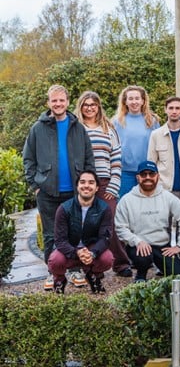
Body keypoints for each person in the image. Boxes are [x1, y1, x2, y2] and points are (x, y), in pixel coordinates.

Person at [23, 84, 95, 291]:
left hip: (74, 191)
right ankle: (53, 272)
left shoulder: (78, 128)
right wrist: (35, 185)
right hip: (47, 192)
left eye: (61, 100)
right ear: (48, 103)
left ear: (68, 102)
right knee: (50, 234)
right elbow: (28, 159)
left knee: (74, 232)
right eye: (54, 100)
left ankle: (74, 270)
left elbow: (88, 157)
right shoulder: (37, 128)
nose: (58, 104)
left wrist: (86, 184)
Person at [74, 91, 131, 278]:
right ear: (81, 107)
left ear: (98, 107)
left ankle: (121, 263)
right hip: (84, 184)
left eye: (93, 104)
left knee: (111, 222)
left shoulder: (108, 128)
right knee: (85, 225)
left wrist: (114, 184)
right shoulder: (76, 128)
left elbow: (116, 158)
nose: (89, 108)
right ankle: (91, 267)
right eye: (86, 104)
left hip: (105, 183)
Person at [114, 161, 180, 282]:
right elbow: (120, 227)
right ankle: (141, 275)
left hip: (162, 246)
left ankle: (163, 267)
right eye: (143, 174)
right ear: (138, 177)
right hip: (139, 246)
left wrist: (179, 245)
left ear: (157, 176)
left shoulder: (168, 197)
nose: (148, 177)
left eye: (151, 174)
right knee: (143, 257)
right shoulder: (126, 200)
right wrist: (136, 241)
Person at [147, 96, 180, 268]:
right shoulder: (156, 135)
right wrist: (156, 188)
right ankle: (163, 260)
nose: (174, 111)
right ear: (165, 110)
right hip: (164, 189)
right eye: (171, 108)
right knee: (162, 225)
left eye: (177, 108)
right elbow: (151, 164)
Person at [48, 171, 114, 294]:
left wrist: (92, 253)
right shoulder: (64, 208)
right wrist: (77, 252)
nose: (86, 185)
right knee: (55, 260)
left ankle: (93, 275)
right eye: (82, 182)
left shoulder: (104, 209)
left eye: (91, 182)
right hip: (70, 248)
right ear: (77, 186)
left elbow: (105, 237)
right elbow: (60, 240)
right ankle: (59, 280)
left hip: (91, 248)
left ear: (97, 188)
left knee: (107, 259)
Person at [113, 85, 160, 198]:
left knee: (147, 203)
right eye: (130, 99)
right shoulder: (117, 122)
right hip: (124, 173)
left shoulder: (152, 121)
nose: (134, 102)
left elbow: (158, 147)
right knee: (125, 203)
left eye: (137, 98)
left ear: (143, 101)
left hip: (147, 172)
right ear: (125, 101)